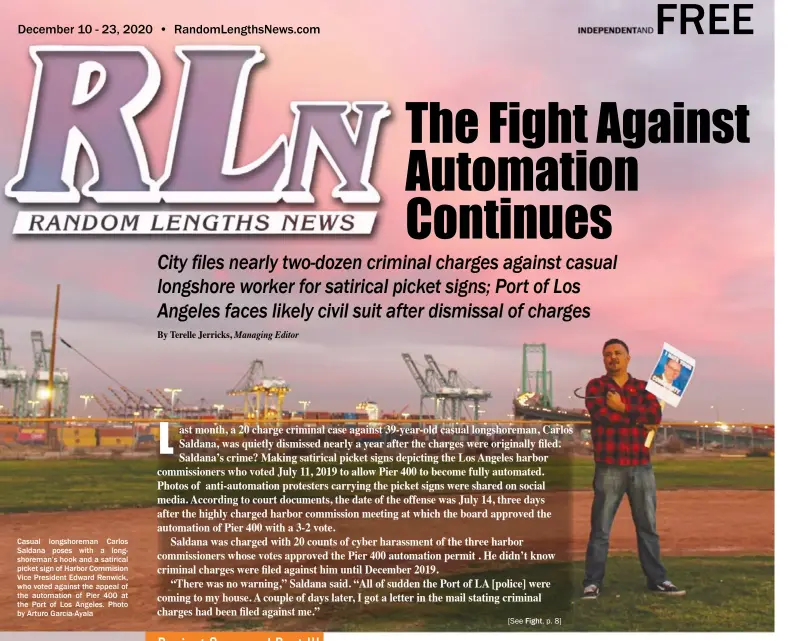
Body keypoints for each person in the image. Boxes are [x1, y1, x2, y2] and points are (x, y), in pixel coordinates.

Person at [581, 338, 686, 599]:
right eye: (607, 354)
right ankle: (592, 582)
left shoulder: (644, 388)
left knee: (647, 527)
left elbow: (655, 417)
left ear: (628, 358)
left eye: (618, 353)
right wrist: (639, 420)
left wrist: (623, 408)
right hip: (609, 467)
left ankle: (657, 580)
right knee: (601, 529)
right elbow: (603, 416)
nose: (613, 357)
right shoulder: (596, 387)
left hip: (641, 467)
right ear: (603, 359)